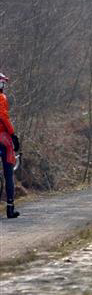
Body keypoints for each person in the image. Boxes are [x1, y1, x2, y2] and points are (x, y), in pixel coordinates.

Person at [0, 73, 20, 218]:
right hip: (2, 137)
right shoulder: (2, 98)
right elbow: (3, 116)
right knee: (9, 171)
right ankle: (10, 207)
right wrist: (13, 135)